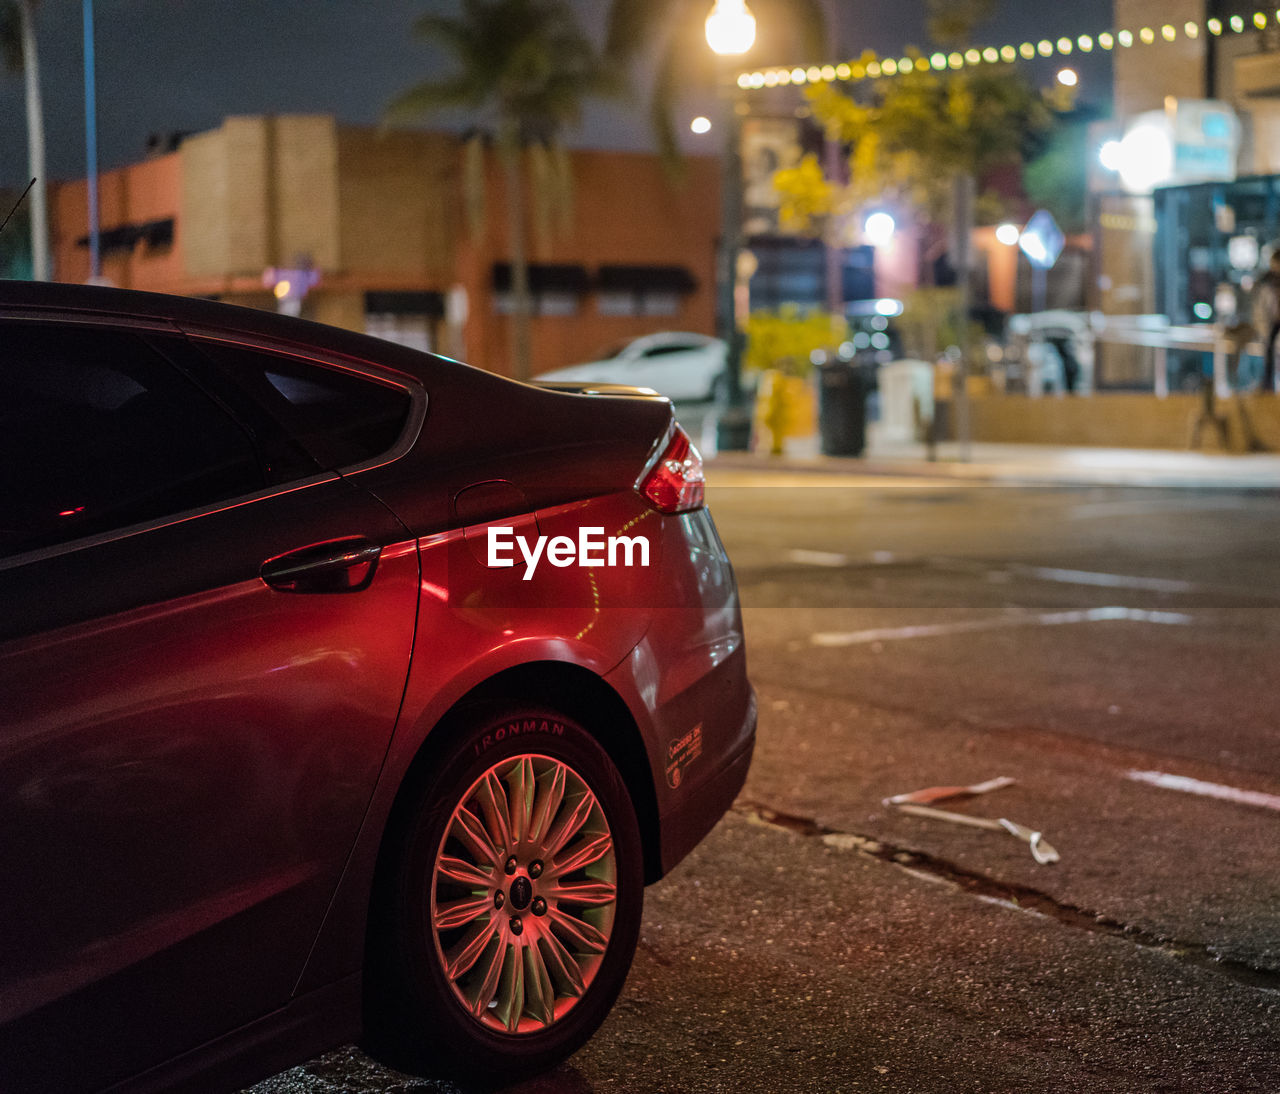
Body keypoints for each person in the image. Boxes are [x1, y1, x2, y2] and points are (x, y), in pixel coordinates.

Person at [1251, 248, 1280, 393]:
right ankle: (1267, 384)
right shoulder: (1267, 280)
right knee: (1268, 350)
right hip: (1274, 319)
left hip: (1274, 318)